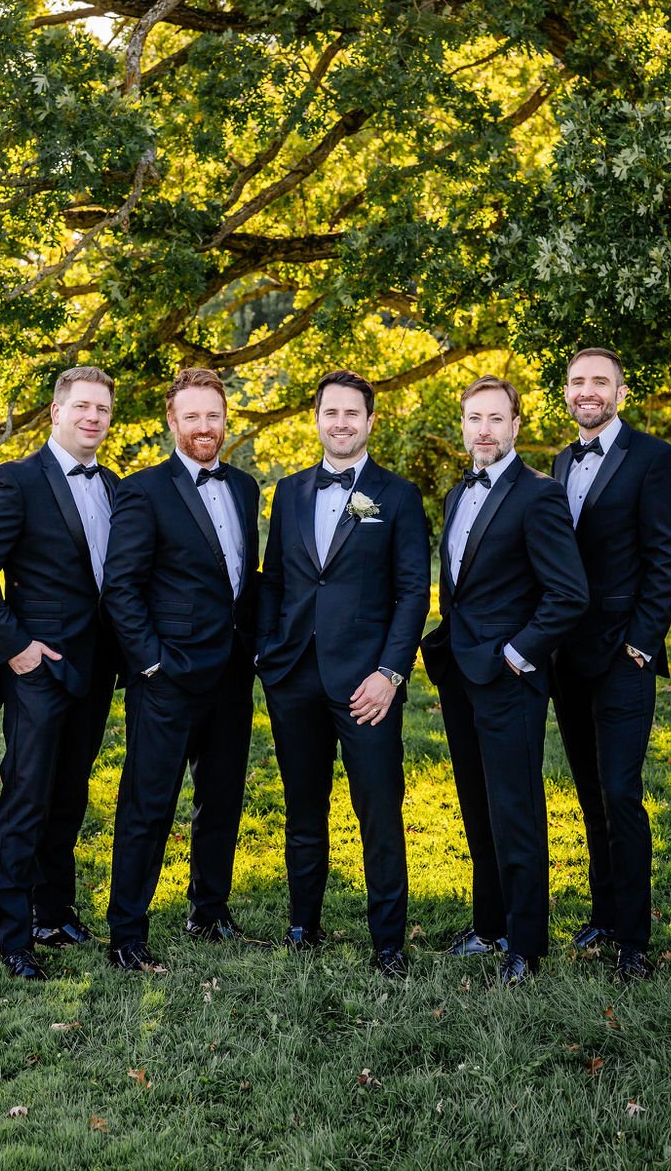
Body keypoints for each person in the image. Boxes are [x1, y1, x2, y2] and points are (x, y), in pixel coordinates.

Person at [256, 370, 430, 978]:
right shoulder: (290, 492)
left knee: (379, 811)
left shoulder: (399, 496)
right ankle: (304, 924)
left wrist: (390, 673)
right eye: (331, 412)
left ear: (370, 421)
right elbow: (274, 579)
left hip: (367, 685)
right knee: (304, 808)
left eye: (352, 413)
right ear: (317, 419)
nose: (341, 423)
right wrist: (265, 652)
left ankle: (387, 942)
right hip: (294, 677)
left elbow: (413, 592)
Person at [0, 367, 120, 979]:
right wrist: (14, 645)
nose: (92, 418)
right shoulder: (18, 479)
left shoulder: (113, 484)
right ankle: (15, 935)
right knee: (27, 796)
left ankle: (55, 911)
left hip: (97, 667)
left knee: (70, 794)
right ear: (56, 412)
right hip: (38, 669)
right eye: (81, 407)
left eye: (102, 409)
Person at [421, 377, 588, 984]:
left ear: (516, 426)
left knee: (515, 808)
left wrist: (519, 655)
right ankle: (488, 926)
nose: (484, 429)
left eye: (496, 418)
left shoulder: (538, 495)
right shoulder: (454, 493)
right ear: (463, 426)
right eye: (474, 418)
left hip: (509, 676)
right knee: (476, 803)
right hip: (461, 673)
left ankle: (526, 943)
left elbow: (569, 594)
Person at [101, 368, 261, 972]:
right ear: (173, 421)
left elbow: (242, 580)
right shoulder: (143, 490)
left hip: (231, 674)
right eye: (191, 416)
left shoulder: (244, 487)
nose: (204, 427)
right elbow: (121, 586)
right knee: (148, 804)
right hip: (166, 677)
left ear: (225, 420)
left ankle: (209, 911)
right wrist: (148, 663)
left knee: (221, 799)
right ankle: (126, 934)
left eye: (212, 416)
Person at [551, 347, 671, 982]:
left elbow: (667, 558)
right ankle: (603, 913)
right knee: (587, 792)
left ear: (620, 392)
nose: (587, 391)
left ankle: (634, 940)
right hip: (569, 655)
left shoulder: (653, 459)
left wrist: (643, 640)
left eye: (599, 382)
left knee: (621, 793)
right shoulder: (558, 462)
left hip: (624, 656)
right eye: (578, 381)